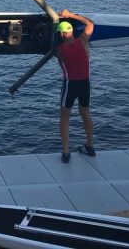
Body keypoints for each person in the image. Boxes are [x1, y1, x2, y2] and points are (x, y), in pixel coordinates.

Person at [55, 9, 95, 163]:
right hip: (86, 84)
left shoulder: (60, 50)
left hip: (70, 85)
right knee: (85, 113)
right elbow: (90, 23)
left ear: (61, 34)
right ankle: (90, 146)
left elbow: (59, 59)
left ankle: (66, 152)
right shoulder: (83, 41)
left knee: (65, 116)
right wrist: (70, 15)